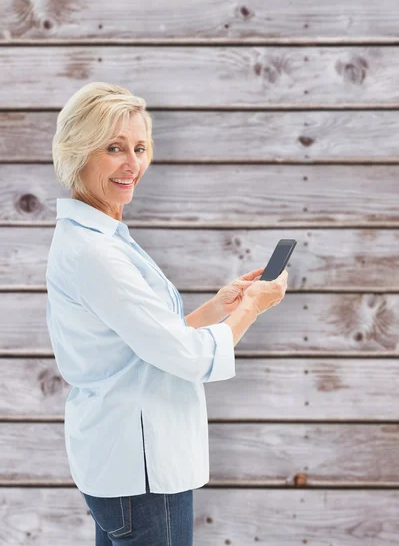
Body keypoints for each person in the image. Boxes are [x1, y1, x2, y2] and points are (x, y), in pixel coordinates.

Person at [46, 81, 288, 546]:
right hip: (143, 476)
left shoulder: (101, 238)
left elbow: (145, 344)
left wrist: (221, 306)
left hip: (124, 467)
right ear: (79, 151)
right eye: (114, 147)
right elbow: (190, 358)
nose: (132, 164)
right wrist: (253, 307)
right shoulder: (96, 253)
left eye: (139, 147)